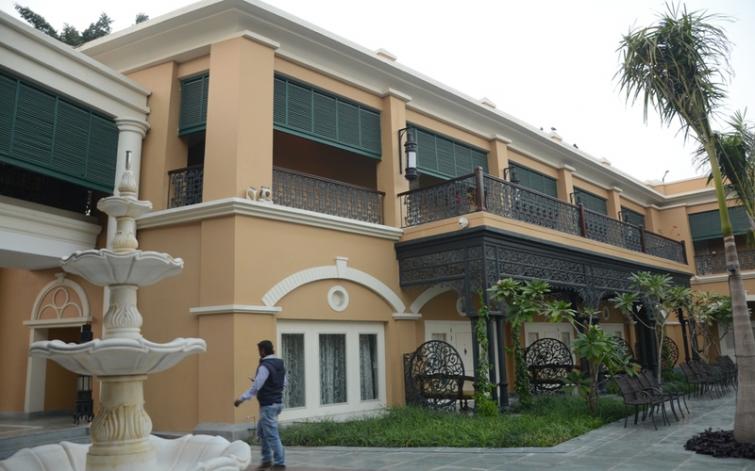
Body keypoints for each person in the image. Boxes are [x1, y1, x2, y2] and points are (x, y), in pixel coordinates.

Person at [234, 340, 286, 470]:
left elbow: (256, 387)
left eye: (259, 350)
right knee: (263, 432)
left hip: (268, 405)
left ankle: (279, 463)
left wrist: (241, 399)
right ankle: (266, 460)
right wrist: (267, 384)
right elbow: (284, 383)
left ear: (262, 351)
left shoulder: (265, 366)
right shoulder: (279, 364)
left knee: (272, 435)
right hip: (277, 403)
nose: (259, 353)